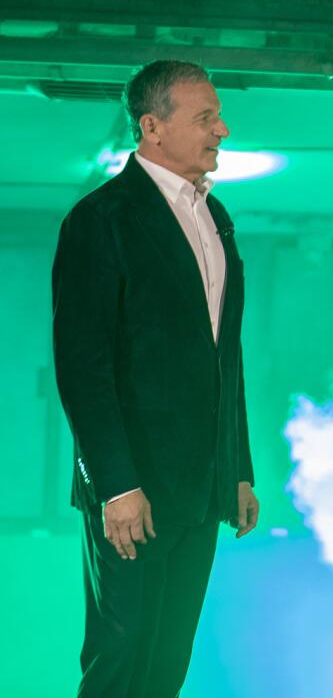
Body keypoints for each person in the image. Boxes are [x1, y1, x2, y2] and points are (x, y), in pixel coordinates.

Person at [52, 59, 259, 697]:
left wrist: (238, 470)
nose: (221, 128)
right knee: (122, 655)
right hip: (134, 492)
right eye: (205, 117)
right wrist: (116, 487)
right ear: (153, 127)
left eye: (218, 115)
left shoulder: (215, 217)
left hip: (201, 490)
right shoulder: (101, 218)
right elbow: (83, 366)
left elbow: (225, 359)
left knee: (168, 661)